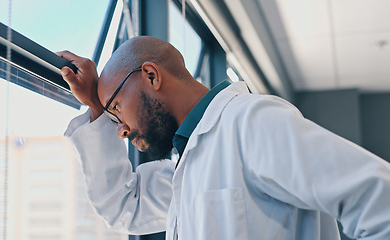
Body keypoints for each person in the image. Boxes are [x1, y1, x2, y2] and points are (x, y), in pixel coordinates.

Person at [58, 36, 390, 240]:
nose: (121, 129)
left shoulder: (251, 122)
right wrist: (97, 110)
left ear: (150, 75)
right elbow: (123, 205)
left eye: (116, 107)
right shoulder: (185, 167)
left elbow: (379, 199)